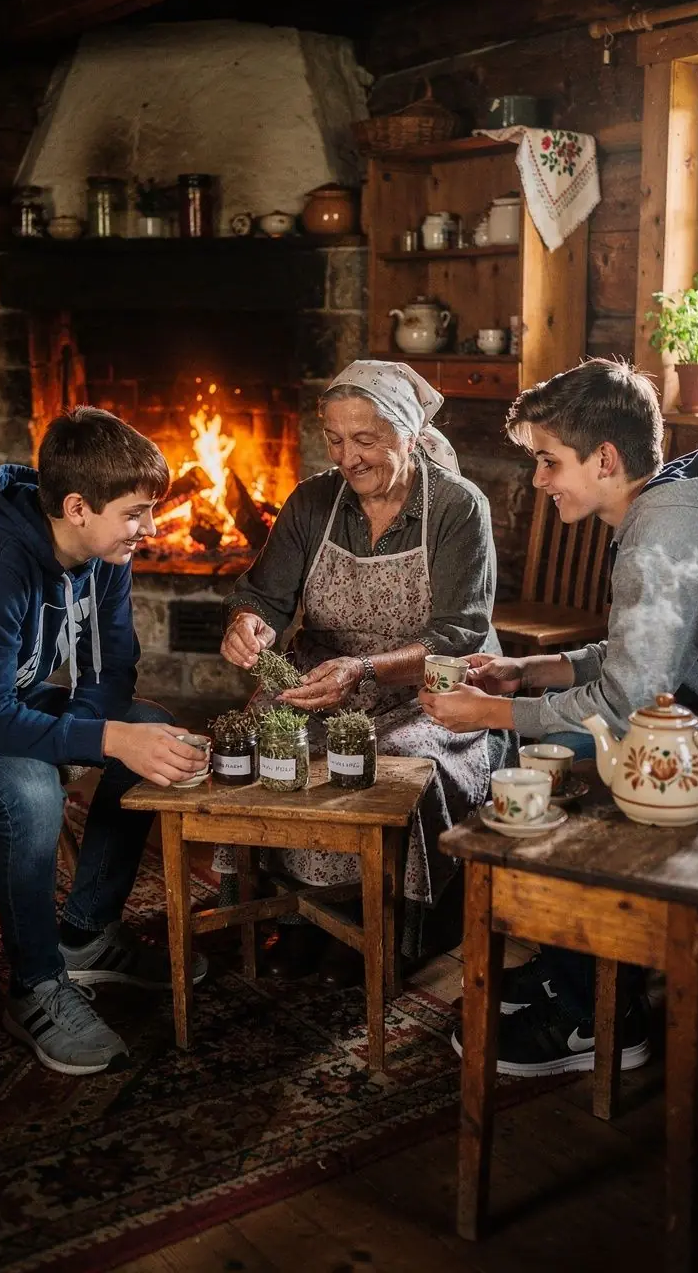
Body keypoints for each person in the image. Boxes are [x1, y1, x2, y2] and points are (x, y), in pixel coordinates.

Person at [421, 357, 698, 1076]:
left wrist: (494, 708)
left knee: (548, 762)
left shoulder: (664, 535)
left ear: (604, 458)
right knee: (544, 732)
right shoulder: (687, 496)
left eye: (548, 460)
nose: (537, 480)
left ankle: (592, 1013)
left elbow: (630, 705)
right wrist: (538, 669)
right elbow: (648, 656)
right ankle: (580, 972)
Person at [0, 408, 208, 1076]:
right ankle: (34, 987)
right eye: (137, 512)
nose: (150, 528)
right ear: (78, 506)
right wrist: (102, 738)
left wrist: (109, 733)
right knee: (28, 788)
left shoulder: (104, 551)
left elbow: (115, 667)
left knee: (146, 724)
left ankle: (85, 932)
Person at [220, 358, 509, 979]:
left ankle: (387, 925)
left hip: (431, 690)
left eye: (366, 440)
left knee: (405, 757)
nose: (349, 458)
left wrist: (366, 669)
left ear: (407, 435)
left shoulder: (458, 508)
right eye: (335, 439)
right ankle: (294, 915)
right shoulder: (314, 500)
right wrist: (247, 622)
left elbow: (458, 638)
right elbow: (264, 595)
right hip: (324, 682)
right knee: (267, 734)